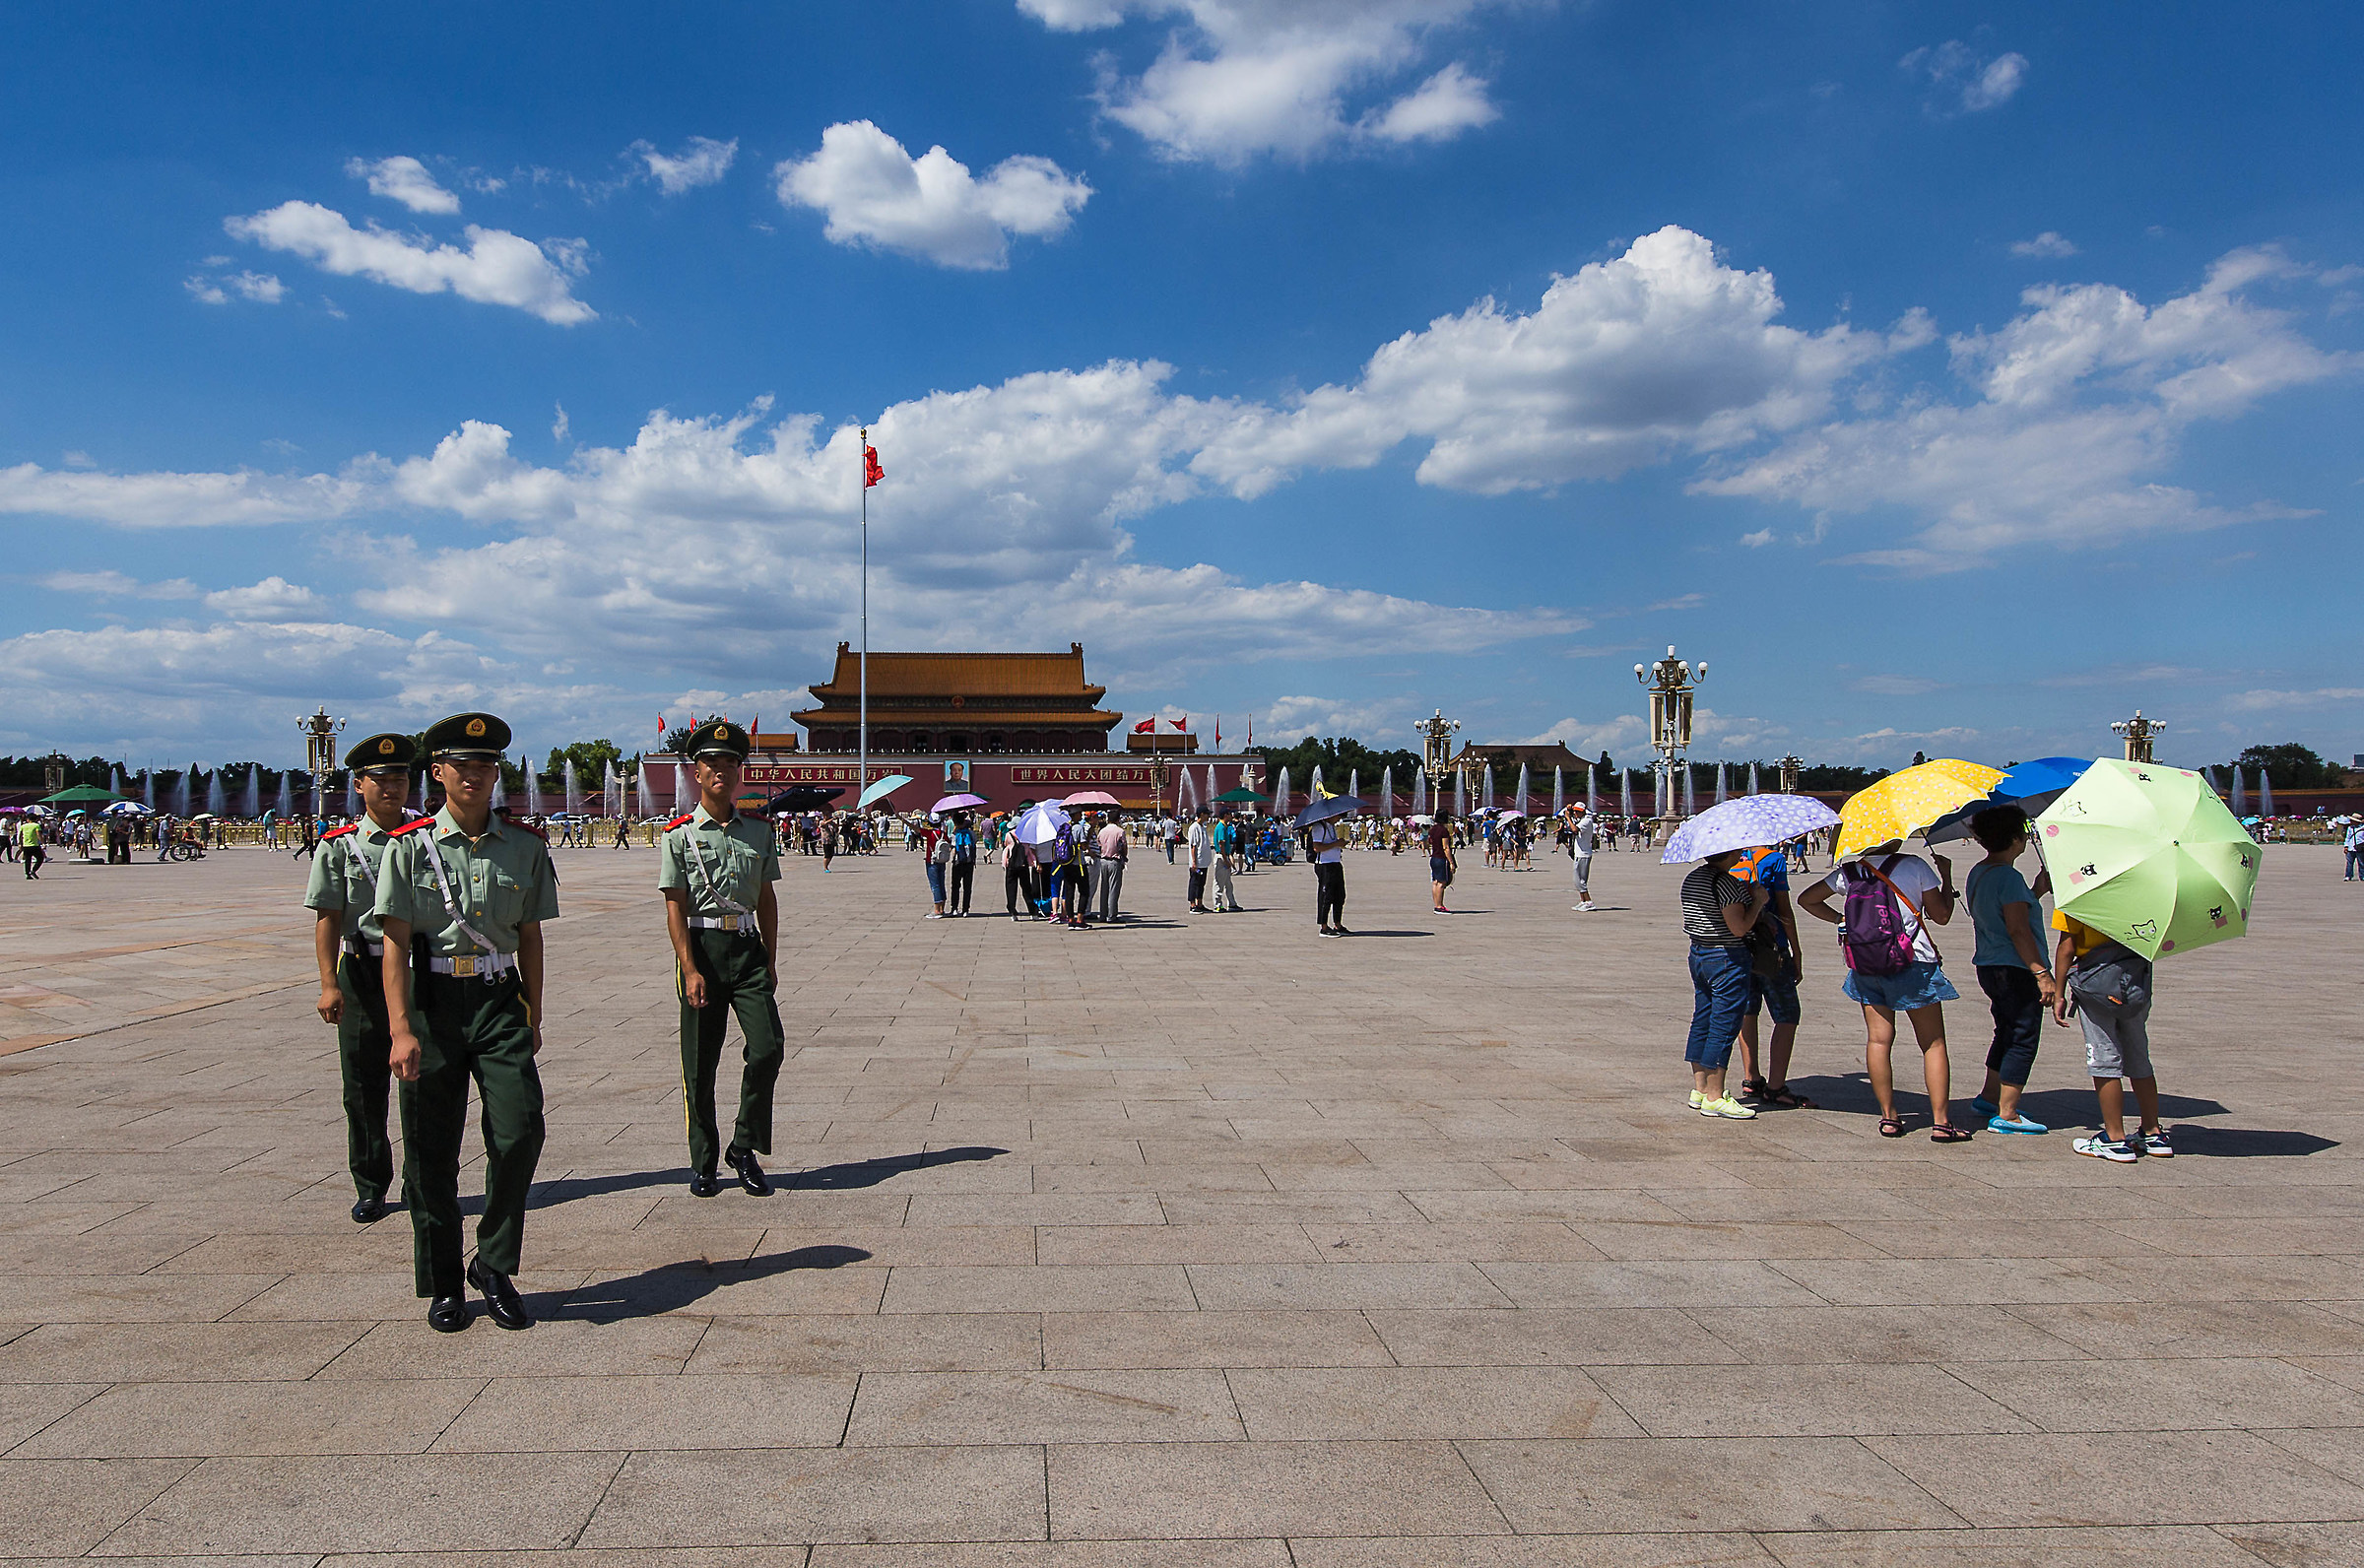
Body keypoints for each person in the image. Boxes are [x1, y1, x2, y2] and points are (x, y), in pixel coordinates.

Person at [375, 711, 558, 1334]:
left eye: (484, 764)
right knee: (431, 1149)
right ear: (438, 772)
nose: (474, 774)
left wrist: (533, 1012)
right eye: (461, 765)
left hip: (499, 1000)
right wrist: (400, 1028)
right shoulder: (409, 847)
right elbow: (395, 944)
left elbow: (530, 937)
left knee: (521, 1129)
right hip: (432, 1005)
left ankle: (494, 1263)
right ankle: (445, 1281)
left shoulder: (525, 847)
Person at [659, 721, 785, 1199]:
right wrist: (689, 968)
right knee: (700, 1062)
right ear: (697, 772)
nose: (721, 771)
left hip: (748, 950)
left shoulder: (758, 831)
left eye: (730, 763)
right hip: (703, 951)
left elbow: (767, 898)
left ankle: (744, 1145)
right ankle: (704, 1161)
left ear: (739, 772)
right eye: (712, 763)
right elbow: (674, 906)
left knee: (768, 1046)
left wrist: (770, 957)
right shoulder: (679, 836)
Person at [304, 732, 417, 1224]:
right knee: (362, 1086)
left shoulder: (427, 839)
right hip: (361, 969)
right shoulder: (339, 846)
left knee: (421, 1083)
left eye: (400, 778)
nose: (391, 787)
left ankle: (421, 1179)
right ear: (359, 784)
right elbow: (327, 917)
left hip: (416, 969)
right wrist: (329, 982)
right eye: (381, 778)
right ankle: (371, 1184)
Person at [1799, 840, 1967, 1143]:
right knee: (1932, 1043)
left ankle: (1889, 1117)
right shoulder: (1914, 865)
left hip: (1867, 962)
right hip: (1913, 962)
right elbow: (1941, 916)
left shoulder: (1850, 871)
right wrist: (1946, 877)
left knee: (1878, 1040)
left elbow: (1807, 899)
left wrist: (1840, 919)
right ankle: (1941, 1122)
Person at [1963, 807, 2059, 1135]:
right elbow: (2018, 930)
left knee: (2005, 1031)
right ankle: (2008, 1112)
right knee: (2022, 1036)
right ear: (2015, 839)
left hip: (1990, 964)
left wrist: (2036, 892)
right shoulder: (2009, 877)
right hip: (2015, 968)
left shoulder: (1980, 872)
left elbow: (2002, 914)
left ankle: (1990, 1097)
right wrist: (2041, 973)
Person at [2053, 909, 2166, 1162]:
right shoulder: (2143, 895)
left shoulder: (2077, 896)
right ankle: (2152, 1131)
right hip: (2135, 980)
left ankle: (2114, 1137)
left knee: (2104, 1057)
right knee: (2139, 1057)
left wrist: (2059, 993)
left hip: (2095, 983)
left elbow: (2067, 947)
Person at [1681, 848, 1769, 1119]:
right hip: (1726, 957)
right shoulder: (1727, 882)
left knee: (1703, 1018)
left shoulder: (1693, 878)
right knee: (1724, 1023)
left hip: (1699, 953)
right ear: (1729, 853)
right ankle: (1715, 1096)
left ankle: (1700, 1089)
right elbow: (1739, 928)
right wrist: (1757, 902)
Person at [1732, 842, 1811, 1108]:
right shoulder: (1774, 859)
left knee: (1748, 1010)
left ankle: (1751, 1076)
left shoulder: (1733, 858)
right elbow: (1784, 909)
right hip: (1769, 946)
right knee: (1788, 1014)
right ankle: (1776, 1086)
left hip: (1740, 946)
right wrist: (1797, 950)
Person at [1308, 811, 1347, 936]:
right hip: (1324, 865)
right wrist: (1336, 844)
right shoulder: (1319, 827)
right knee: (1326, 896)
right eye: (1338, 816)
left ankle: (1338, 924)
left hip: (1335, 862)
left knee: (1340, 895)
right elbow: (1317, 847)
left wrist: (1339, 844)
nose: (1338, 819)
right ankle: (1324, 927)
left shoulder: (1331, 827)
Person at [1095, 810, 1127, 922]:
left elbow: (1099, 845)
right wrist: (1124, 857)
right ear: (1118, 819)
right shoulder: (1120, 831)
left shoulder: (1102, 831)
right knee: (1114, 888)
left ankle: (1103, 914)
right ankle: (1112, 915)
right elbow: (1124, 846)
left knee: (1104, 888)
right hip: (1114, 860)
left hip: (1103, 860)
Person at [1567, 805, 1598, 911]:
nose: (1575, 813)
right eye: (1574, 811)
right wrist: (1570, 812)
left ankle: (1589, 901)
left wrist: (1568, 818)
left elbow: (1574, 829)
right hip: (1580, 853)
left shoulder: (1586, 821)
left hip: (1583, 854)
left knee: (1580, 880)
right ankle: (1583, 901)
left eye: (1577, 811)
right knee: (1578, 879)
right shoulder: (1582, 820)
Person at [948, 812, 977, 915]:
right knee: (967, 887)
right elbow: (974, 843)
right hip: (969, 862)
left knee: (955, 886)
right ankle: (965, 910)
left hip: (957, 862)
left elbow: (952, 848)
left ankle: (954, 908)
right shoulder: (971, 833)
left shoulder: (954, 835)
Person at [1186, 809, 1213, 912]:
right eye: (1207, 814)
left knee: (1202, 883)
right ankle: (1192, 905)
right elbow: (1193, 846)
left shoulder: (1203, 827)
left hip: (1204, 862)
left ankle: (1199, 903)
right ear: (1202, 814)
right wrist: (1194, 862)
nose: (1208, 816)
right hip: (1197, 862)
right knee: (1194, 883)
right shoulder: (1194, 828)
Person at [1427, 815, 1456, 912]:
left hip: (1434, 857)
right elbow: (1445, 847)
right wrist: (1451, 862)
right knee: (1441, 883)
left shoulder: (1432, 829)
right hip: (1441, 858)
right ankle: (1439, 906)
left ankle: (1437, 905)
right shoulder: (1443, 831)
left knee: (1435, 882)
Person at [19, 815, 44, 879]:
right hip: (34, 845)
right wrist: (43, 842)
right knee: (40, 858)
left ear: (28, 819)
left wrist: (20, 843)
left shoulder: (23, 826)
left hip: (26, 845)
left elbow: (20, 835)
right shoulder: (36, 825)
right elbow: (38, 834)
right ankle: (33, 870)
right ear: (35, 819)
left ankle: (27, 874)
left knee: (27, 860)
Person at [2345, 817, 2364, 881]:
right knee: (2349, 863)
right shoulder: (2350, 828)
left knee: (2361, 863)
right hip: (2351, 847)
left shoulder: (2362, 828)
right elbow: (2348, 838)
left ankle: (2362, 876)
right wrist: (2346, 846)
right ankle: (2348, 875)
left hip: (2360, 848)